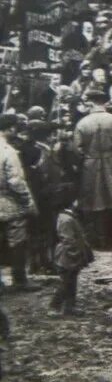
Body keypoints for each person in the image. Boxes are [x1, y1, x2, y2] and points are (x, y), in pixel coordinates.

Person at [73, 89, 112, 247]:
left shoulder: (82, 123)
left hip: (91, 164)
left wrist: (87, 156)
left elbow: (77, 150)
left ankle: (101, 239)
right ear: (104, 102)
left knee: (95, 202)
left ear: (91, 103)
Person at [0, 115, 36, 289]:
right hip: (7, 200)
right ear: (11, 129)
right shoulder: (8, 151)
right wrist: (27, 201)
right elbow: (16, 181)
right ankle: (19, 279)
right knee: (17, 239)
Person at [49, 196, 92, 316]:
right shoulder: (66, 219)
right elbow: (68, 240)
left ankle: (70, 306)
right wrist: (76, 254)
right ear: (73, 202)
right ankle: (54, 306)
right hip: (67, 256)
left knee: (72, 282)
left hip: (69, 255)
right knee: (66, 282)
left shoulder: (66, 217)